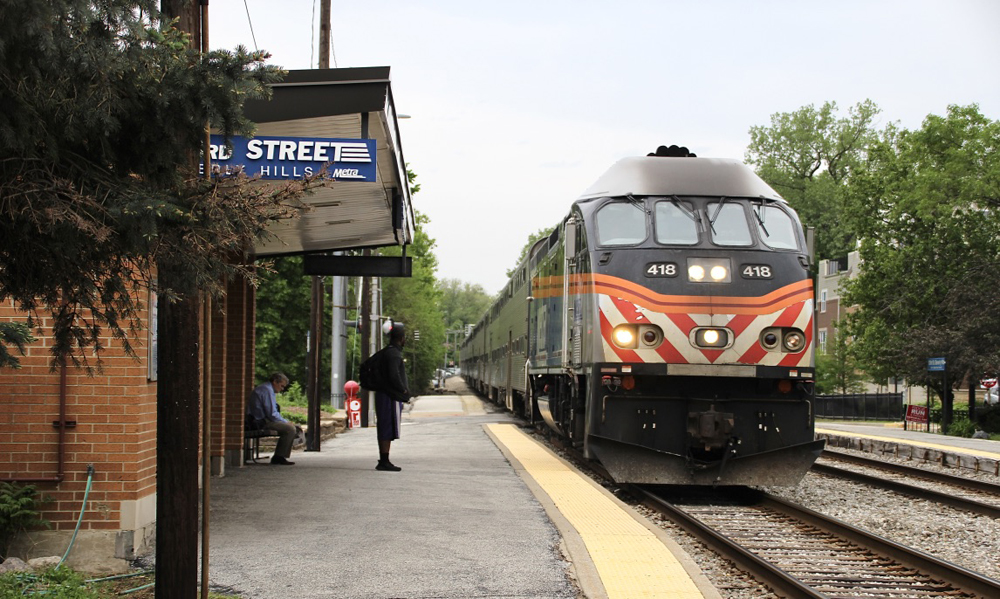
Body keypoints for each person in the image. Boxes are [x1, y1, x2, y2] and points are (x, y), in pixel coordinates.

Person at [375, 321, 412, 471]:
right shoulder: (393, 354)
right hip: (389, 396)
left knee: (386, 426)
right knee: (387, 426)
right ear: (400, 338)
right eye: (404, 336)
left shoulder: (388, 352)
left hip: (385, 395)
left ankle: (384, 459)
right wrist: (402, 390)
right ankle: (384, 460)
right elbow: (393, 375)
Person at [246, 372, 298, 466]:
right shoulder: (267, 390)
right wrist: (286, 422)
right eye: (281, 386)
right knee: (290, 429)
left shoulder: (266, 388)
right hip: (260, 422)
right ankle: (279, 457)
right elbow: (272, 414)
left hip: (261, 420)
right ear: (275, 382)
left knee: (292, 427)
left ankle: (280, 456)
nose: (282, 389)